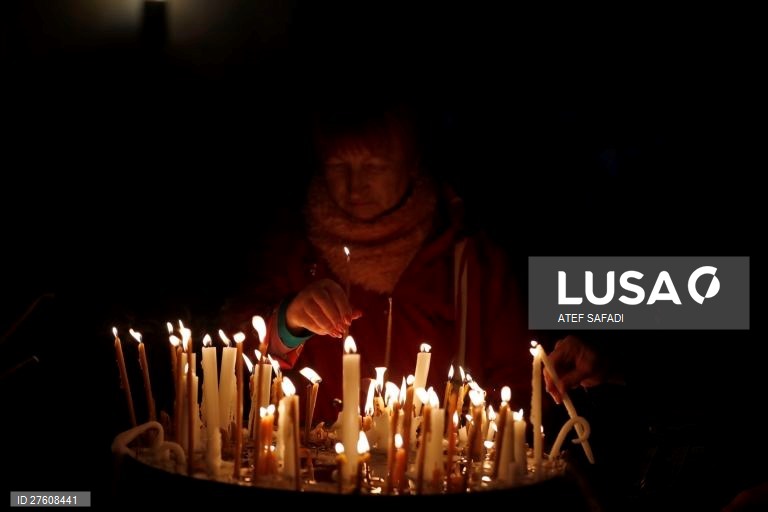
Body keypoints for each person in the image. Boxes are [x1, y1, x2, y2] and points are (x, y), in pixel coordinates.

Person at [222, 97, 531, 423]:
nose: (356, 186)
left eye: (374, 167)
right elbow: (234, 345)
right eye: (339, 167)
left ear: (411, 162)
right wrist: (288, 322)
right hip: (315, 466)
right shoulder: (292, 247)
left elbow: (520, 378)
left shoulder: (470, 260)